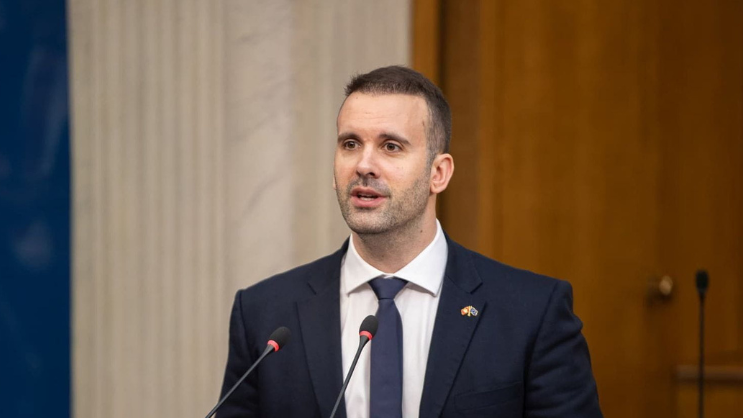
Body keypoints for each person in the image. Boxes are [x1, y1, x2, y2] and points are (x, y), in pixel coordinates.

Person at [218, 66, 603, 418]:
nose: (363, 165)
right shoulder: (266, 316)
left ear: (439, 173)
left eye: (391, 146)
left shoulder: (530, 314)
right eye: (350, 144)